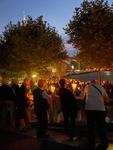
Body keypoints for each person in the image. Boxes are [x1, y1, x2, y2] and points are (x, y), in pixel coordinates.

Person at [84, 80, 109, 150]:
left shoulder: (86, 87)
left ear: (90, 83)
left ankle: (91, 144)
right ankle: (104, 144)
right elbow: (107, 99)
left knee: (90, 128)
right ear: (97, 83)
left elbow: (84, 97)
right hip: (100, 110)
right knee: (101, 128)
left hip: (89, 109)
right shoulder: (101, 88)